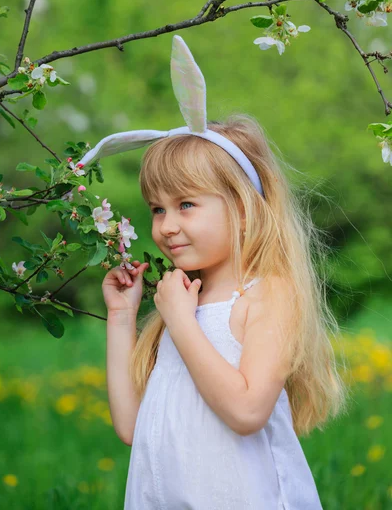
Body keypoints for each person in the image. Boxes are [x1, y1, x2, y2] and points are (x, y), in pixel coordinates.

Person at [82, 36, 349, 509]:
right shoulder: (181, 304)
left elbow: (247, 411)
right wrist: (123, 319)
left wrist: (182, 322)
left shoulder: (266, 295)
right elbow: (132, 426)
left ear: (243, 209)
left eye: (186, 204)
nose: (166, 225)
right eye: (157, 209)